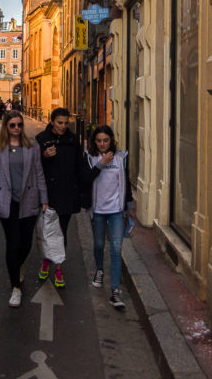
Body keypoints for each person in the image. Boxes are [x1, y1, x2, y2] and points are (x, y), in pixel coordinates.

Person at [0, 111, 48, 307]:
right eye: (12, 125)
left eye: (19, 124)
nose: (17, 128)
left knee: (26, 244)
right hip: (7, 202)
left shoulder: (32, 147)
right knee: (13, 243)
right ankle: (16, 288)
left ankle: (16, 266)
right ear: (6, 126)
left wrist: (44, 199)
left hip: (29, 200)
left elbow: (39, 173)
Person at [34, 107, 99, 288]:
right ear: (52, 122)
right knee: (48, 231)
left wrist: (95, 171)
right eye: (59, 123)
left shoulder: (73, 140)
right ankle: (46, 262)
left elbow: (80, 167)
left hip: (67, 194)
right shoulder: (41, 139)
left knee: (61, 231)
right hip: (48, 195)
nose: (63, 126)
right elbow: (34, 167)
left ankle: (59, 268)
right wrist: (44, 155)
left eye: (65, 123)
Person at [86, 124, 132, 309]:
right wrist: (101, 163)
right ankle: (99, 270)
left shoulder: (121, 157)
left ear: (111, 140)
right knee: (98, 244)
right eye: (99, 141)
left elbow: (126, 182)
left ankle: (115, 291)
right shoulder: (90, 157)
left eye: (106, 140)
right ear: (94, 142)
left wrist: (128, 206)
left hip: (116, 211)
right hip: (98, 210)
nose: (102, 144)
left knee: (115, 249)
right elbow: (86, 178)